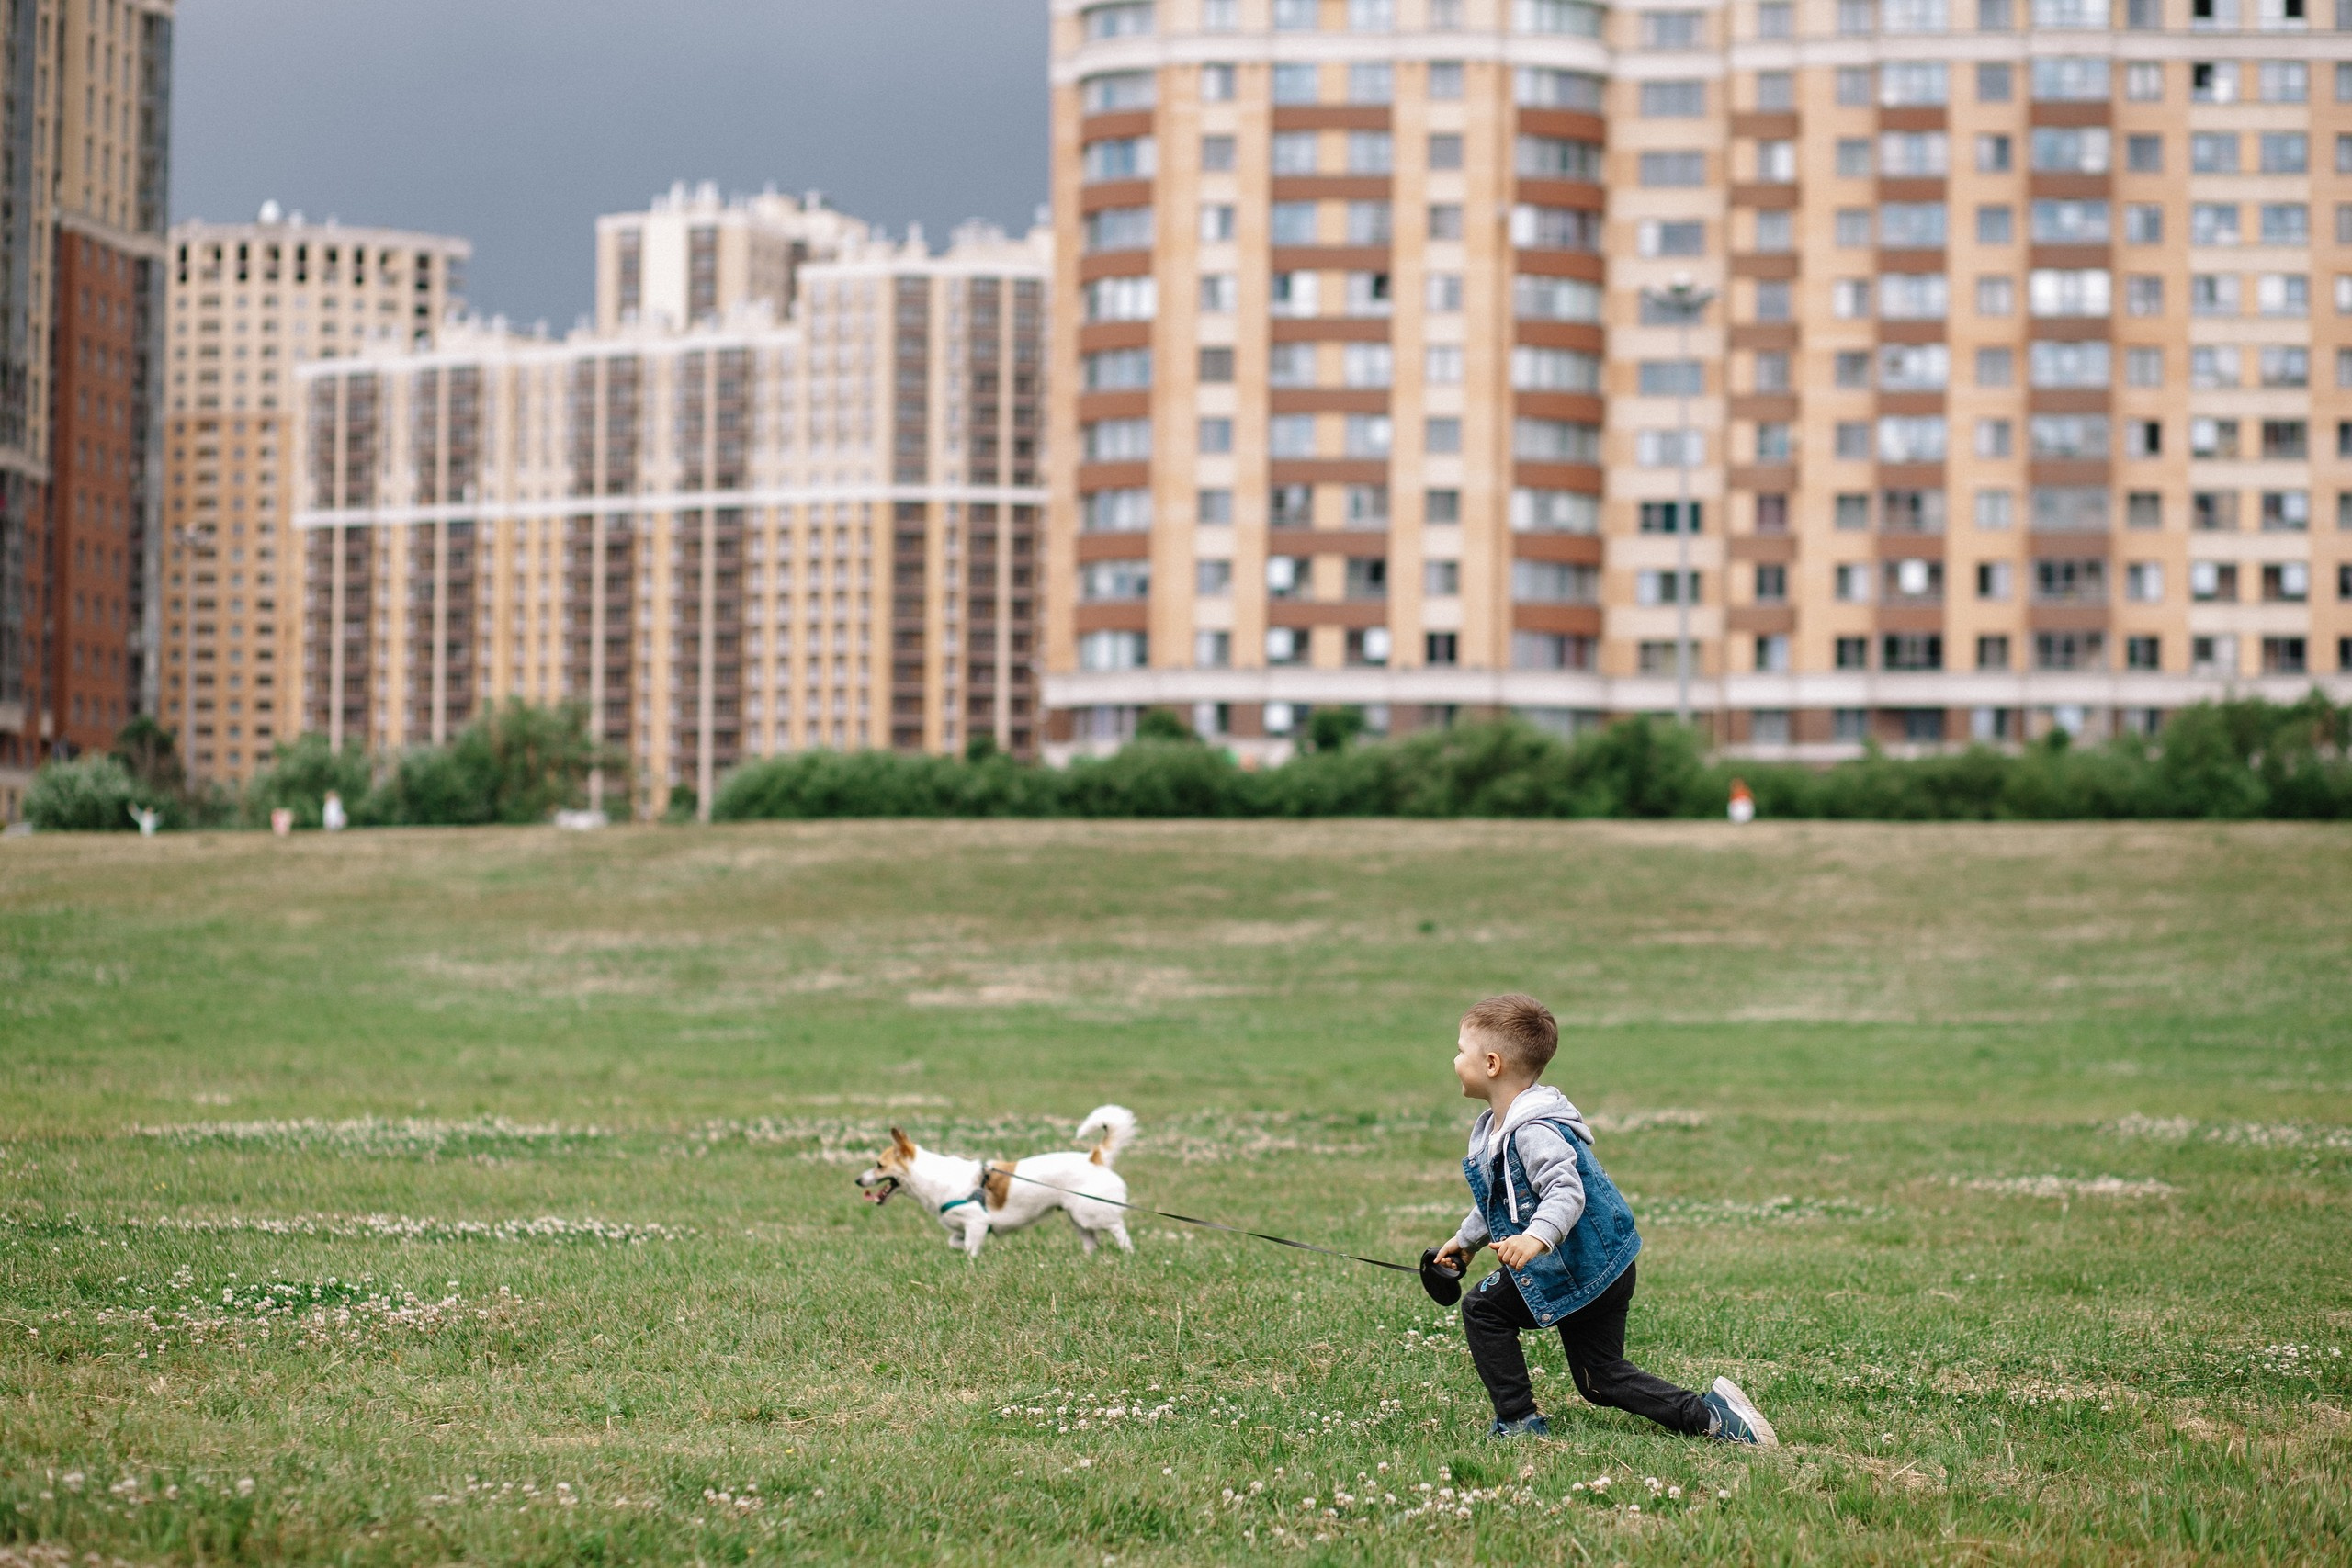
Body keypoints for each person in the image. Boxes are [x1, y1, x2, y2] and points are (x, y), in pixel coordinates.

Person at [1434, 993, 1778, 1444]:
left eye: (1462, 1051)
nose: (1456, 1059)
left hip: (1577, 1263)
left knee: (1483, 1309)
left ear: (1492, 1063)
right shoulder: (1500, 1125)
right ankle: (1714, 1419)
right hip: (1604, 1265)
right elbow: (1502, 1196)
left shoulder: (1533, 1129)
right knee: (1601, 1379)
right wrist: (1466, 1241)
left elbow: (1564, 1190)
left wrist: (1536, 1238)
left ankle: (1519, 1422)